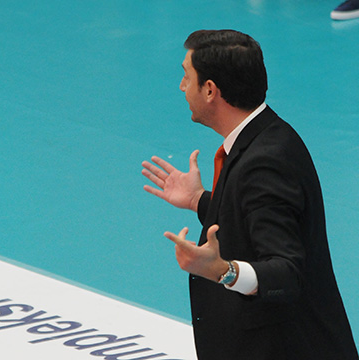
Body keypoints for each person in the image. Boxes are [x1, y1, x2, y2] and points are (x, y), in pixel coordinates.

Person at [141, 30, 358, 359]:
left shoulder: (265, 164)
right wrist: (200, 200)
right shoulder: (265, 137)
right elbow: (255, 213)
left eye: (186, 76)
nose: (182, 86)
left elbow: (287, 272)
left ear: (210, 90)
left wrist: (222, 270)